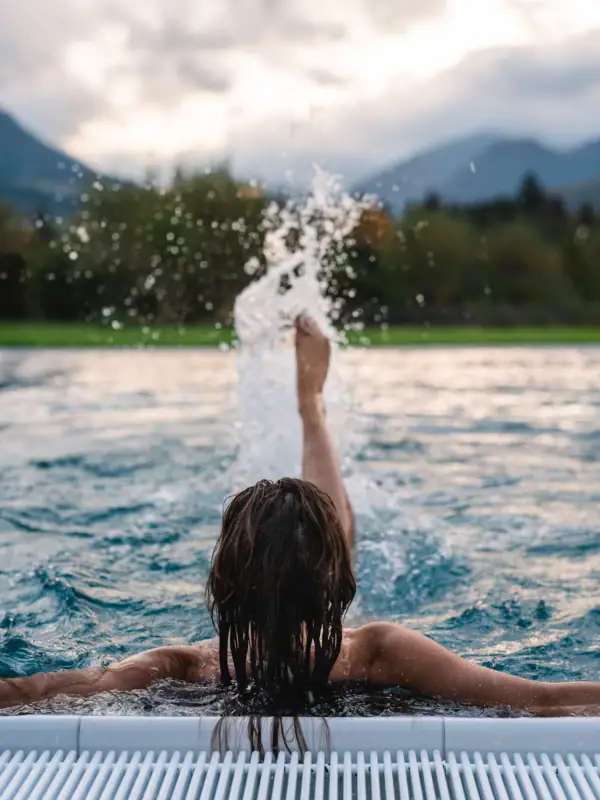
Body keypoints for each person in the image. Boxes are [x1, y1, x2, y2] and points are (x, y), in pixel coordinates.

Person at [1, 314, 600, 719]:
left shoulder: (182, 666)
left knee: (308, 533)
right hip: (339, 620)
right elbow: (543, 699)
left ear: (222, 585)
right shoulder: (379, 651)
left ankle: (311, 407)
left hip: (272, 611)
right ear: (342, 586)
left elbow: (39, 690)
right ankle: (311, 408)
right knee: (317, 531)